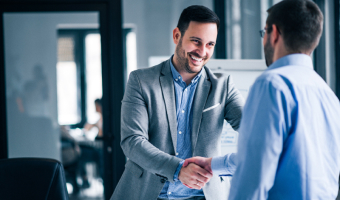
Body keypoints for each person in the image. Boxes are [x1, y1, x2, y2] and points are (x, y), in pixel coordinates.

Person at [184, 0, 340, 199]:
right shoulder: (328, 95)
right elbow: (275, 157)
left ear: (273, 33)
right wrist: (213, 164)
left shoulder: (272, 84)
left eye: (263, 32)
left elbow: (253, 176)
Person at [111, 5, 244, 200]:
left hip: (203, 196)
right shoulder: (141, 80)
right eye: (196, 41)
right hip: (147, 193)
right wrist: (177, 169)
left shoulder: (223, 86)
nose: (202, 51)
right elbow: (132, 141)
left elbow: (254, 129)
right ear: (176, 36)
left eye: (210, 44)